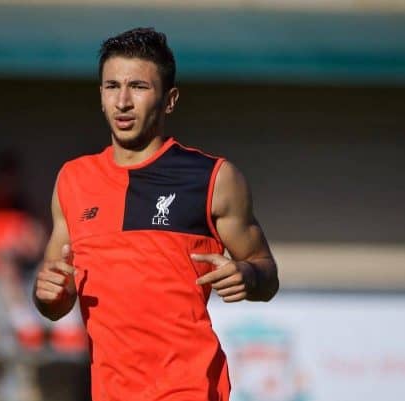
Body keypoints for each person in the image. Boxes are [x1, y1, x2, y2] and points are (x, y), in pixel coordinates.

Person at [33, 27, 279, 401]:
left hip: (189, 389)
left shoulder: (213, 177)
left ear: (169, 99)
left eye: (139, 87)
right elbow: (54, 297)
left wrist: (248, 274)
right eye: (112, 86)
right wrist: (47, 295)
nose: (123, 102)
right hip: (108, 391)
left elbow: (266, 273)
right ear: (100, 95)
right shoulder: (73, 180)